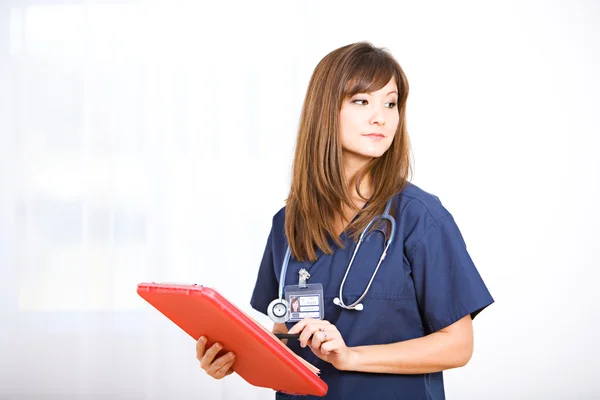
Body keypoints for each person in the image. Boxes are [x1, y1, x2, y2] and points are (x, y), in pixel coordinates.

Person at [195, 41, 494, 399]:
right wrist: (237, 358)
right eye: (361, 101)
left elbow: (457, 346)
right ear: (325, 110)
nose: (381, 117)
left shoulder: (419, 217)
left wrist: (350, 357)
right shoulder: (289, 221)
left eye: (391, 103)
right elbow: (285, 333)